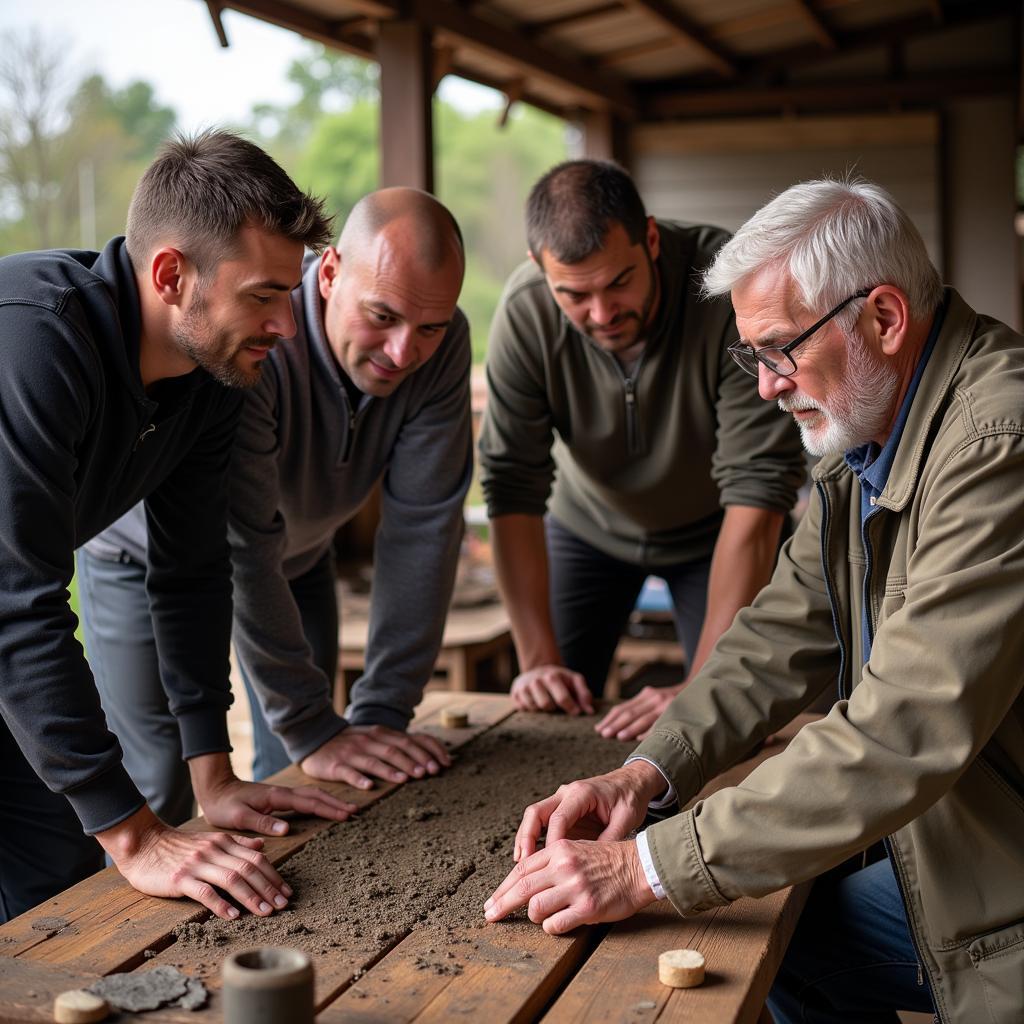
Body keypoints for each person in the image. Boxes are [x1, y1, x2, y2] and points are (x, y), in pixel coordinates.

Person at [483, 178, 1024, 1023]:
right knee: (777, 913)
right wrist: (645, 773)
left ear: (883, 318)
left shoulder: (998, 445)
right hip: (972, 834)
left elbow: (905, 726)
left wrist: (645, 867)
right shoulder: (873, 426)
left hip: (1006, 871)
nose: (768, 386)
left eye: (781, 350)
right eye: (755, 356)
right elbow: (781, 627)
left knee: (777, 934)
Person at [0, 129, 357, 926]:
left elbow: (192, 569)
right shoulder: (34, 337)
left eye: (289, 299)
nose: (288, 328)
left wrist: (214, 776)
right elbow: (20, 601)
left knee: (58, 897)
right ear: (171, 274)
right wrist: (134, 836)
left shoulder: (213, 376)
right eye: (263, 296)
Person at [79, 187, 469, 814]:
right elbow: (242, 543)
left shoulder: (439, 344)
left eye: (429, 326)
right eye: (382, 317)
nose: (404, 353)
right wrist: (312, 723)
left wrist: (383, 712)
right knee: (156, 779)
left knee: (298, 771)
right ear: (332, 272)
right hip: (145, 557)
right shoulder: (260, 341)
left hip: (297, 555)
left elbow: (425, 524)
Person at [477, 159, 804, 740]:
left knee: (726, 712)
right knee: (551, 707)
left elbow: (758, 489)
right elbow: (511, 486)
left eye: (618, 282)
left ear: (650, 239)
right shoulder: (526, 312)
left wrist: (703, 685)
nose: (601, 314)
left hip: (717, 530)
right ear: (538, 269)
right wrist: (538, 662)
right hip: (587, 527)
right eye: (574, 294)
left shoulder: (729, 292)